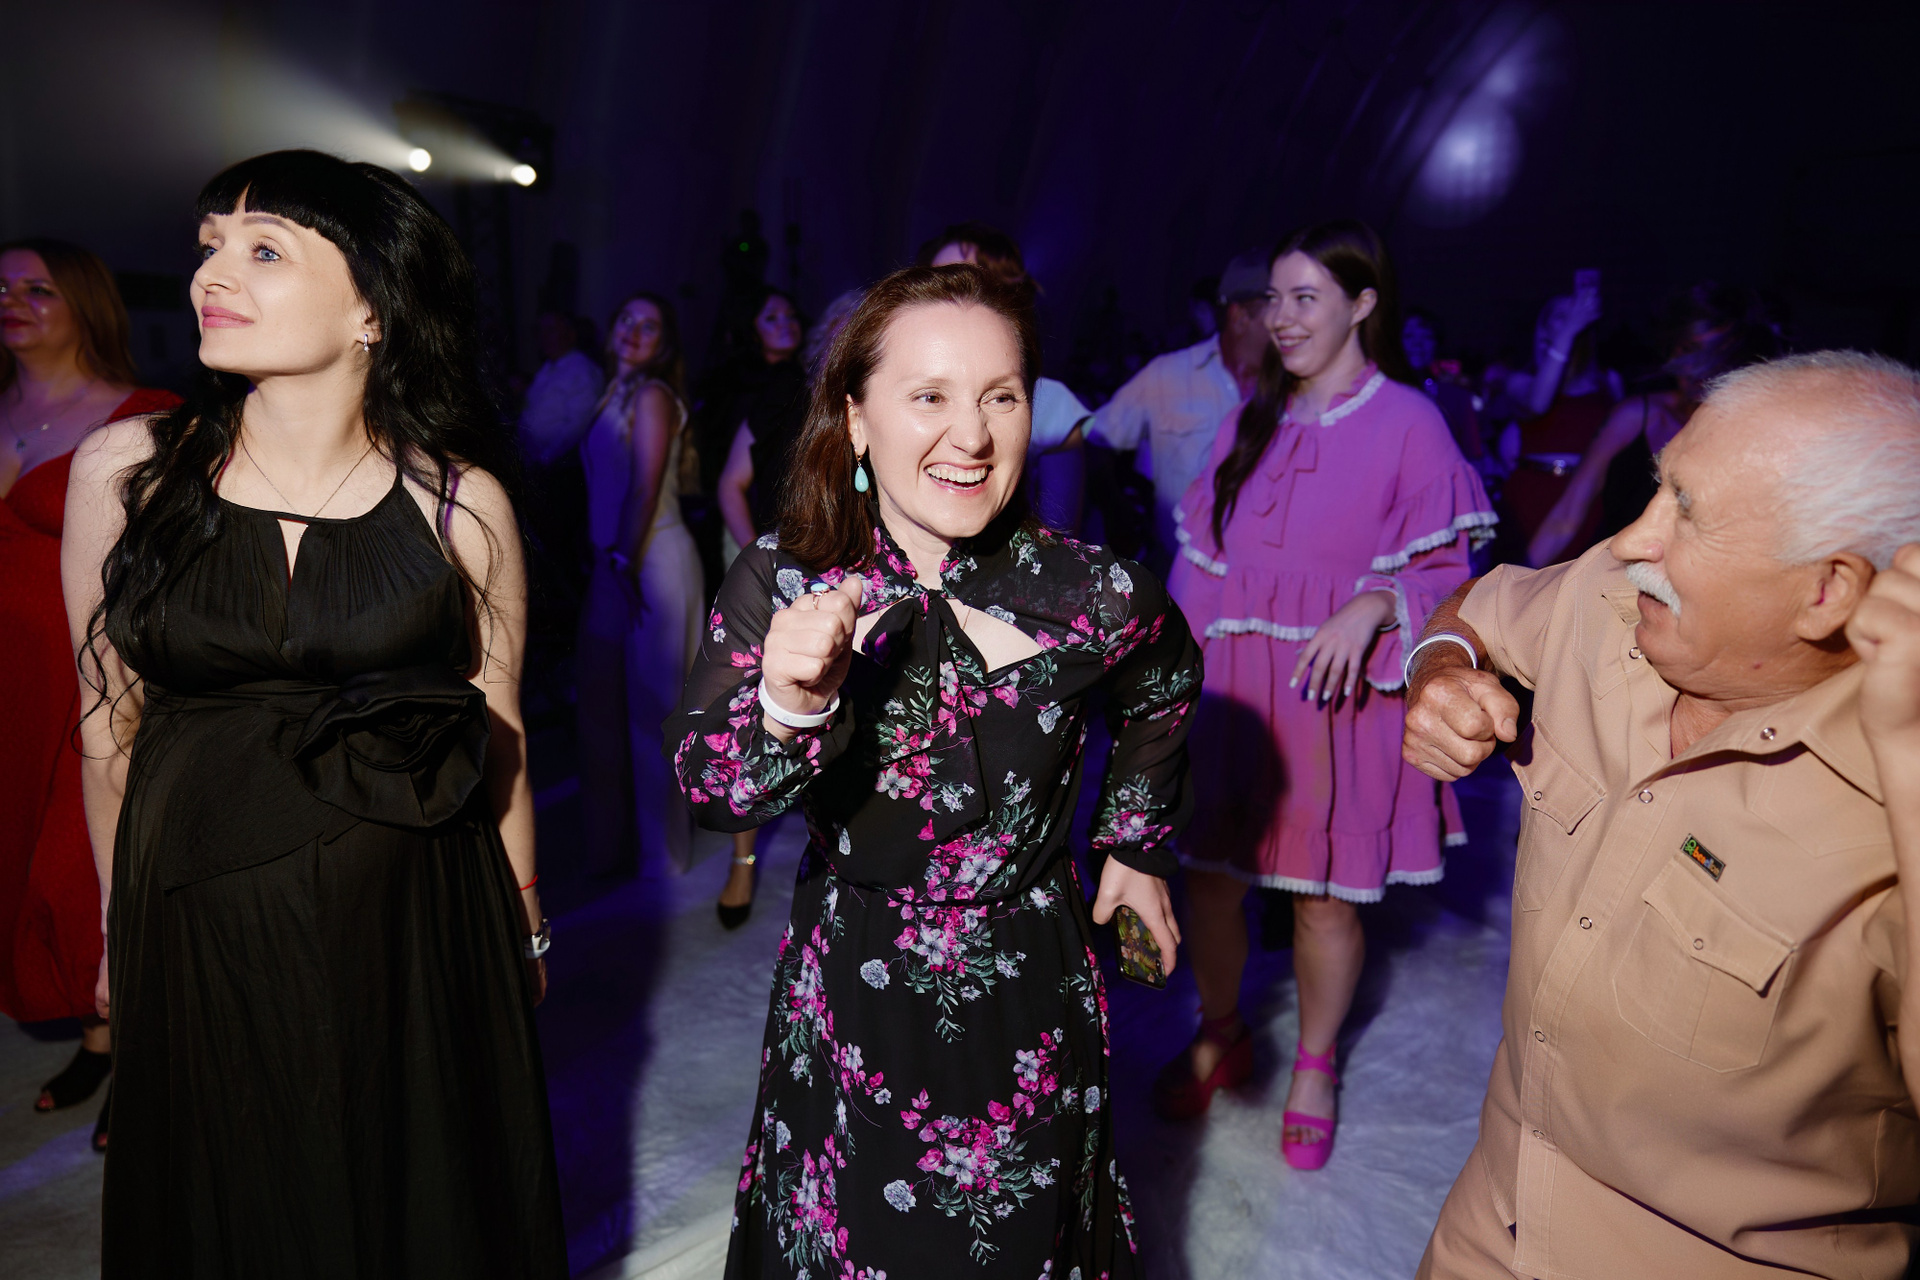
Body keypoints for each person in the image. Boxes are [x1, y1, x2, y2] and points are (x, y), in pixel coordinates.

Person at [62, 150, 565, 1278]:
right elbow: (107, 730)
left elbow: (497, 729)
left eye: (264, 250)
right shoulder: (128, 475)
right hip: (199, 911)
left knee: (413, 1185)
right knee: (236, 1195)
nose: (212, 275)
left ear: (371, 310)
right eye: (209, 246)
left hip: (417, 920)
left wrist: (524, 919)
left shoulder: (458, 501)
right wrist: (116, 929)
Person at [666, 263, 1200, 1278]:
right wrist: (791, 701)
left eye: (1001, 397)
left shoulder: (1090, 588)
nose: (972, 435)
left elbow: (1164, 679)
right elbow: (711, 788)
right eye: (929, 396)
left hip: (1027, 980)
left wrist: (1134, 844)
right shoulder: (782, 575)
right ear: (855, 418)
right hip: (851, 974)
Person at [1405, 351, 1920, 1278]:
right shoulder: (1610, 602)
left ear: (1827, 591)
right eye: (1660, 487)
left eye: (1688, 511)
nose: (1632, 539)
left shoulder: (1895, 803)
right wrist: (1440, 668)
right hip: (1493, 1211)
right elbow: (1479, 607)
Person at [1156, 220, 1494, 1171]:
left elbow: (1454, 579)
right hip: (1236, 692)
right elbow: (1201, 569)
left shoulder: (1410, 422)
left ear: (1363, 303)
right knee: (1209, 882)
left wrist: (1378, 603)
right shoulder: (1251, 415)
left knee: (1321, 901)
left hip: (1334, 699)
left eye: (1306, 297)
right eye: (1275, 297)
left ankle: (1314, 1065)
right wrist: (1167, 684)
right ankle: (1221, 1031)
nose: (1283, 317)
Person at [0, 239, 178, 1150]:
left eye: (38, 288)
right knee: (26, 866)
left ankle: (141, 1051)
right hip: (10, 692)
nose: (13, 300)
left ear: (86, 304)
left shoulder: (142, 417)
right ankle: (97, 1034)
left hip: (93, 682)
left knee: (92, 870)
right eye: (2, 287)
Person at [577, 293, 708, 882]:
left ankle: (662, 861)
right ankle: (619, 850)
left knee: (655, 716)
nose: (634, 330)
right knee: (608, 708)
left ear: (664, 343)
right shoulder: (614, 391)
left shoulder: (652, 394)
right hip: (618, 561)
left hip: (651, 561)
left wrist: (622, 561)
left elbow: (644, 488)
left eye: (649, 326)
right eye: (626, 318)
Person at [1527, 283, 1782, 567]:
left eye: (1703, 354)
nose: (1686, 365)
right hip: (1622, 580)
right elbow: (1566, 516)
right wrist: (1517, 584)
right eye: (1682, 349)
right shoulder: (1637, 415)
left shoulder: (1751, 429)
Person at [711, 285, 808, 927]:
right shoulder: (762, 391)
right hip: (771, 559)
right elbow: (731, 484)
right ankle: (741, 863)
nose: (785, 322)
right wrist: (762, 564)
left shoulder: (815, 387)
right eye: (770, 315)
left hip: (832, 561)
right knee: (748, 710)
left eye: (790, 312)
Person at [1090, 249, 1271, 569]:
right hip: (1179, 570)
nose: (1292, 325)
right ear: (1241, 316)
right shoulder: (1168, 375)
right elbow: (1096, 434)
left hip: (1264, 577)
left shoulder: (1298, 387)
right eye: (1279, 312)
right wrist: (1114, 508)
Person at [917, 222, 1093, 530]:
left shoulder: (1051, 403)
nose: (951, 299)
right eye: (937, 285)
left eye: (967, 283)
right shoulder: (898, 388)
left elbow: (1061, 537)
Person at [1495, 278, 1623, 562]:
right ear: (1544, 328)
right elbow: (1538, 404)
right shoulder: (1520, 381)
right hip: (1532, 495)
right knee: (1528, 580)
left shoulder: (1608, 381)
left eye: (1576, 314)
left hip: (1588, 498)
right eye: (1561, 316)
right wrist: (1568, 331)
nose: (1572, 320)